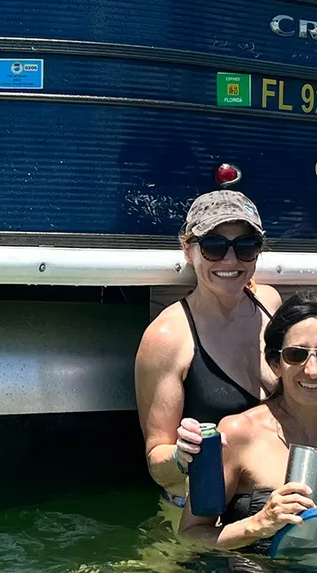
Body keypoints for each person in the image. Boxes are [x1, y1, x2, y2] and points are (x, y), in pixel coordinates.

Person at [134, 188, 283, 526]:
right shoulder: (167, 338)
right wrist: (181, 454)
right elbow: (158, 464)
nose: (230, 261)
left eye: (245, 247)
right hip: (200, 517)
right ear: (188, 249)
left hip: (270, 508)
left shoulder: (270, 306)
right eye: (214, 247)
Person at [178, 290, 317, 550]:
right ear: (275, 363)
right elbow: (188, 536)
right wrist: (259, 523)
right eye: (296, 354)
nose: (313, 370)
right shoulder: (238, 433)